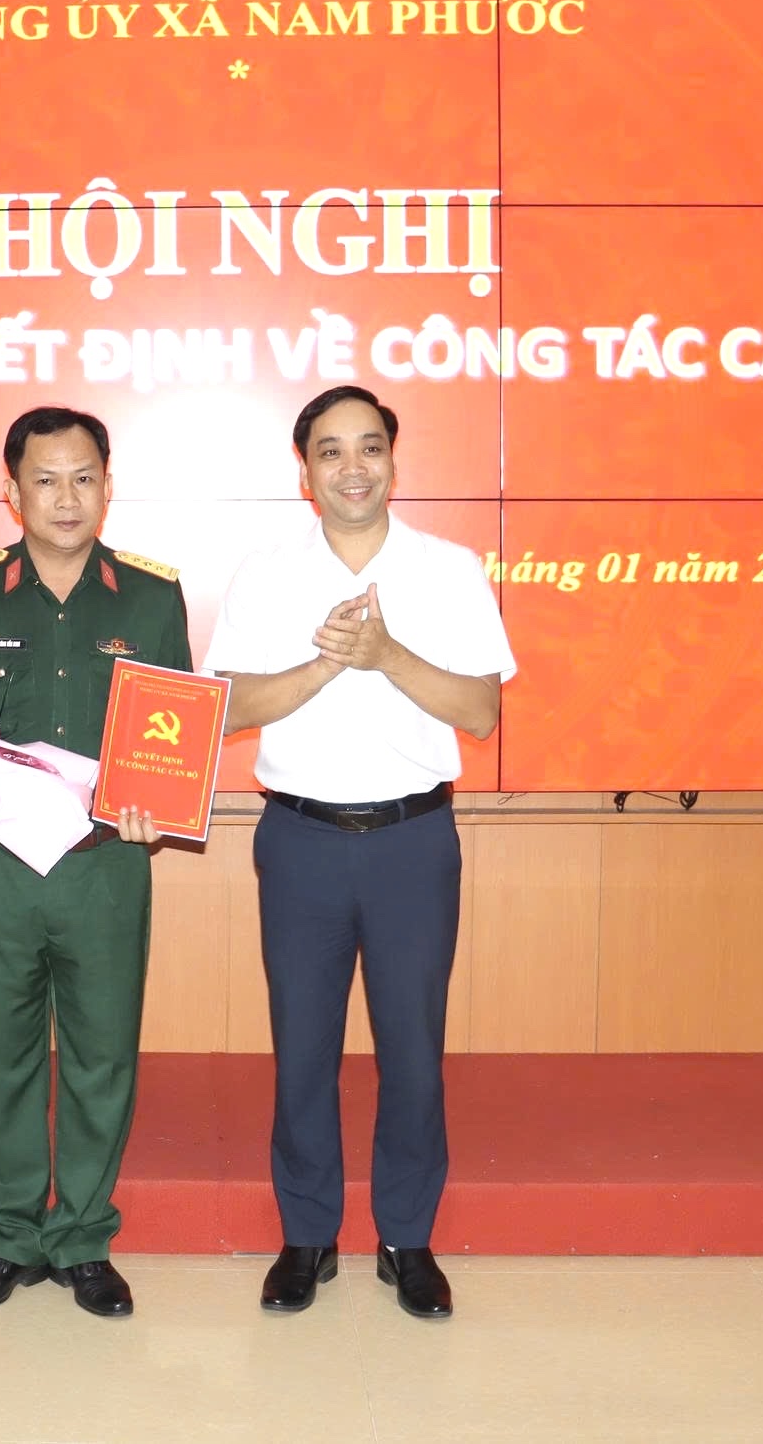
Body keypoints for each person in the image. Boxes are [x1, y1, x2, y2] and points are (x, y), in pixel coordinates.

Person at [204, 385, 515, 1321]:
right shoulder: (265, 572)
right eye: (331, 451)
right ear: (305, 471)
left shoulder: (450, 570)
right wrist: (328, 661)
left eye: (369, 448)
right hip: (300, 839)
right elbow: (230, 707)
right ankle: (307, 1236)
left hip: (412, 843)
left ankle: (406, 1238)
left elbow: (480, 712)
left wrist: (384, 653)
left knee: (413, 1051)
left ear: (392, 460)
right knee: (303, 1048)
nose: (353, 468)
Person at [0, 406, 188, 1319]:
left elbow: (175, 737)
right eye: (46, 480)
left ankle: (84, 1239)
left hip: (106, 864)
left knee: (102, 1054)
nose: (67, 499)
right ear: (12, 489)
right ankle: (9, 1235)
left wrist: (161, 806)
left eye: (84, 478)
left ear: (108, 484)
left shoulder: (153, 597)